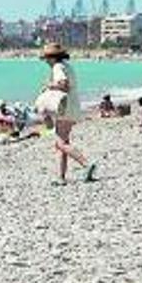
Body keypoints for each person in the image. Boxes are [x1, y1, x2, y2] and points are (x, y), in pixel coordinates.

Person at [39, 43, 96, 185]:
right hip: (72, 105)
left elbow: (64, 85)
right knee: (63, 142)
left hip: (65, 106)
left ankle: (86, 164)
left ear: (52, 57)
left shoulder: (58, 67)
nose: (45, 61)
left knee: (60, 143)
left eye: (46, 58)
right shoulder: (66, 66)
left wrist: (49, 85)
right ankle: (61, 177)